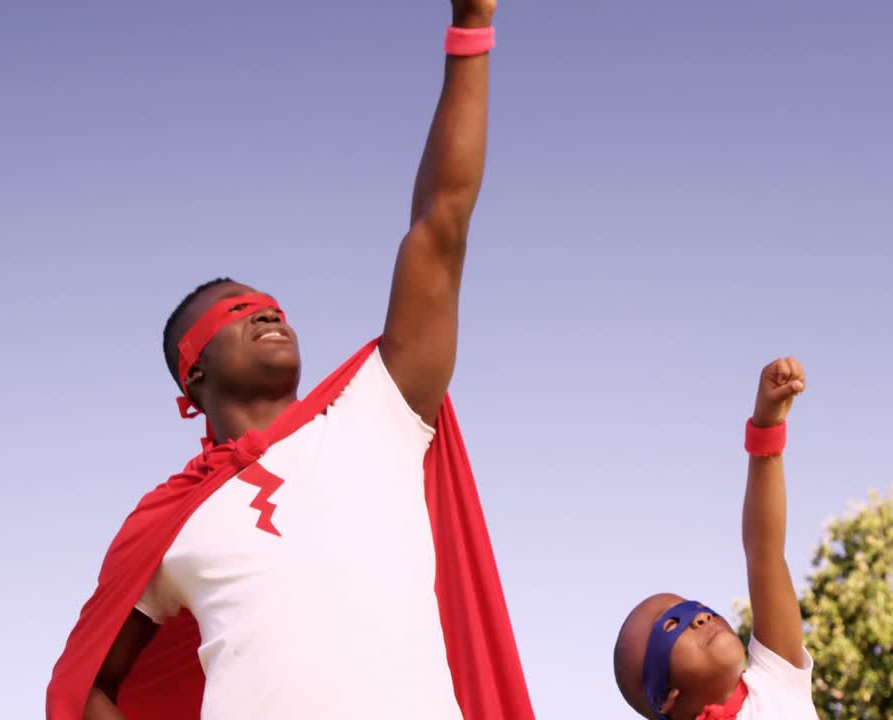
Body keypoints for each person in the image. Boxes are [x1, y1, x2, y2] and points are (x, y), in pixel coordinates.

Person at [46, 2, 535, 718]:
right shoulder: (164, 521)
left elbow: (441, 222)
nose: (268, 313)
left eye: (273, 305)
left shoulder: (377, 407)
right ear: (194, 372)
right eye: (236, 311)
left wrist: (471, 29)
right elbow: (87, 683)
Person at [612, 357, 819, 720]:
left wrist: (766, 428)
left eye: (698, 608)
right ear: (665, 697)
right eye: (672, 623)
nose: (701, 618)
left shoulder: (775, 682)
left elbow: (765, 552)